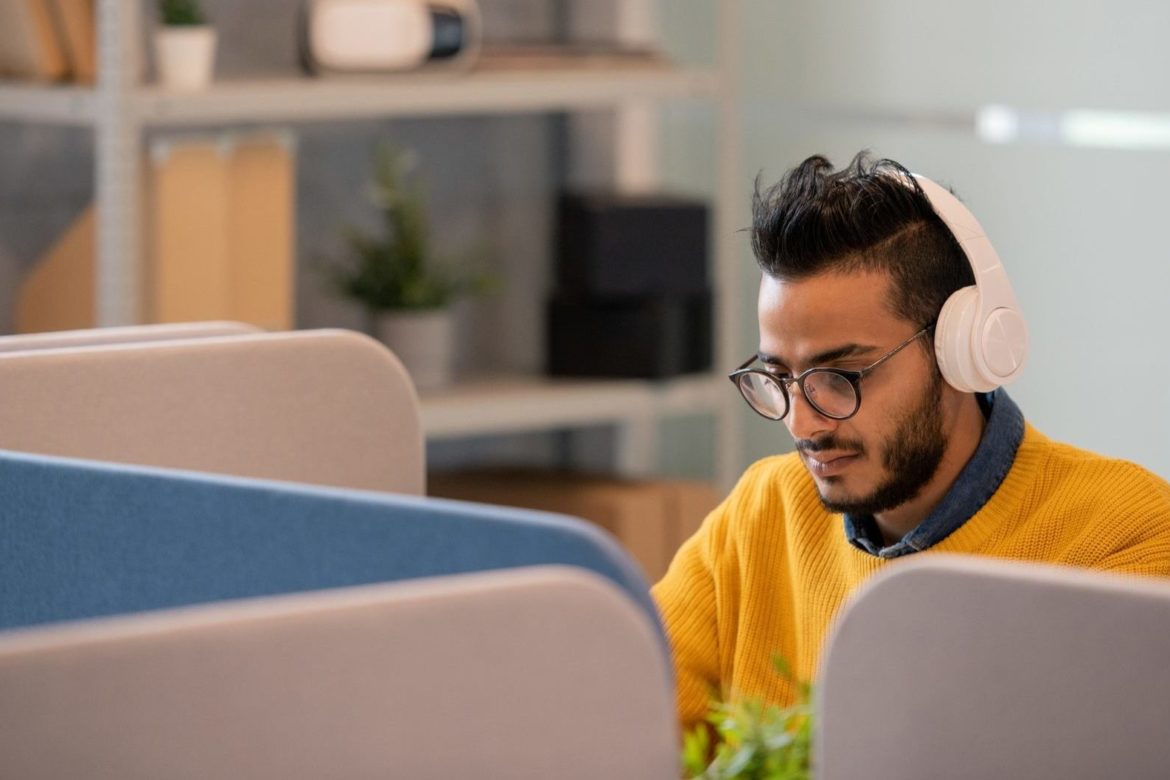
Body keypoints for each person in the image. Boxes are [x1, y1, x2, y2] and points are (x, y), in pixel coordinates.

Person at [652, 151, 1170, 731]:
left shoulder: (1124, 538)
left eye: (841, 376)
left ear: (961, 350)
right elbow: (626, 722)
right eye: (780, 377)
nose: (802, 425)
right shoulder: (762, 514)